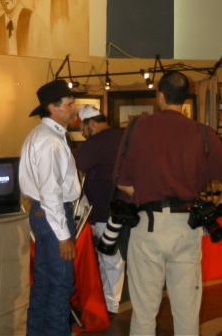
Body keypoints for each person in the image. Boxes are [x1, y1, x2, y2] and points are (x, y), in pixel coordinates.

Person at [115, 71, 222, 336]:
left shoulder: (138, 128)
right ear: (185, 98)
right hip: (187, 226)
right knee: (186, 313)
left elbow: (123, 184)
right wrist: (213, 215)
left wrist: (146, 191)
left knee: (144, 313)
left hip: (148, 226)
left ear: (159, 96)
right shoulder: (202, 133)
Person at [19, 79, 81, 336]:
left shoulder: (43, 135)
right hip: (52, 216)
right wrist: (63, 235)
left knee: (44, 285)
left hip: (43, 214)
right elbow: (51, 193)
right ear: (53, 108)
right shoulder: (50, 141)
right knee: (59, 286)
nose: (73, 108)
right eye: (69, 104)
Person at [74, 104, 124, 315]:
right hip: (124, 209)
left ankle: (108, 305)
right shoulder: (123, 138)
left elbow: (73, 171)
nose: (82, 134)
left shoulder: (94, 143)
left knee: (107, 259)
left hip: (102, 211)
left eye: (83, 129)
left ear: (92, 124)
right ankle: (111, 301)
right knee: (115, 259)